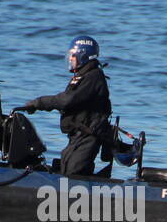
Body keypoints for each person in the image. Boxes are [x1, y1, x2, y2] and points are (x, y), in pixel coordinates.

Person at [22, 35, 112, 176]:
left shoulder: (94, 77)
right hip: (76, 137)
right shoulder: (82, 76)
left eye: (73, 55)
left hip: (88, 136)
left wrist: (39, 103)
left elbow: (67, 100)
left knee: (74, 172)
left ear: (83, 56)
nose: (70, 59)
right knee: (65, 166)